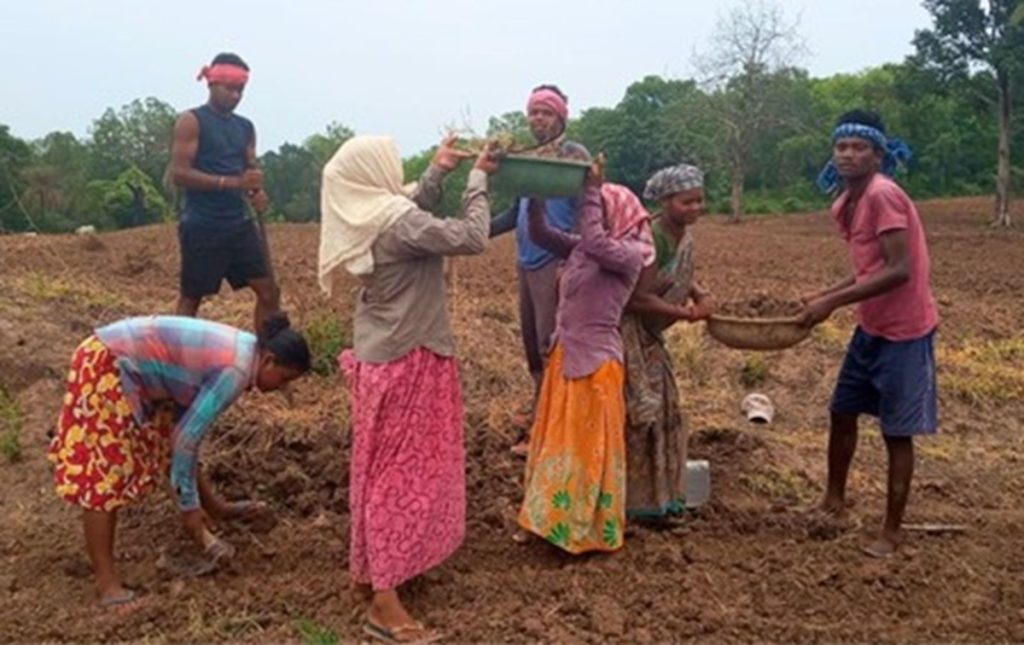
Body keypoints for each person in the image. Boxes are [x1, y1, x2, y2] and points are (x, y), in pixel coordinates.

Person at [319, 134, 500, 642]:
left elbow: (408, 203)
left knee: (378, 471)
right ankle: (384, 603)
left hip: (382, 358)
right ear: (376, 174)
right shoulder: (397, 224)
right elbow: (471, 237)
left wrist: (437, 170)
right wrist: (478, 179)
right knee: (400, 482)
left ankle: (374, 574)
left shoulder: (368, 217)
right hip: (410, 361)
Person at [47, 314, 310, 611]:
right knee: (106, 473)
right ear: (269, 360)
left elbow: (183, 435)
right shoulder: (235, 370)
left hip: (125, 361)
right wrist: (189, 510)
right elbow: (185, 440)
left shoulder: (248, 351)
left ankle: (215, 508)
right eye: (285, 379)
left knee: (163, 445)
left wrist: (200, 505)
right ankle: (107, 584)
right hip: (110, 364)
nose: (282, 388)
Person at [800, 109, 937, 558]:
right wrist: (825, 293)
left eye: (860, 148)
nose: (847, 155)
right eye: (841, 147)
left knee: (897, 433)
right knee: (842, 411)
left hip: (905, 331)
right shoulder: (844, 202)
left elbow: (899, 270)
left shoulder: (883, 196)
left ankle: (892, 531)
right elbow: (868, 268)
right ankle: (833, 502)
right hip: (871, 325)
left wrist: (831, 303)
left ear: (879, 155)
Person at [517, 169, 650, 554]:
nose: (591, 216)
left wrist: (590, 192)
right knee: (556, 446)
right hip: (566, 359)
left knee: (582, 450)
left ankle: (579, 531)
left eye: (601, 210)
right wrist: (535, 194)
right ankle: (546, 521)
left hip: (595, 365)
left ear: (619, 216)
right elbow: (541, 235)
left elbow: (594, 240)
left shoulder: (627, 256)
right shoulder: (582, 248)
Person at [488, 84, 591, 454]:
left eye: (545, 113)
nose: (538, 119)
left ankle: (551, 430)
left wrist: (577, 258)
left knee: (553, 343)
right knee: (532, 343)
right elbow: (515, 213)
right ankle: (541, 409)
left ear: (561, 117)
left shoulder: (572, 155)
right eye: (533, 113)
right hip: (527, 261)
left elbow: (589, 207)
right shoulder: (528, 158)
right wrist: (469, 232)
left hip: (556, 260)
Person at [621, 164, 715, 521]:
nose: (695, 208)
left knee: (664, 412)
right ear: (665, 201)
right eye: (686, 202)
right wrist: (687, 314)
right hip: (632, 334)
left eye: (699, 201)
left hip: (653, 334)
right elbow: (637, 298)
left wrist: (699, 292)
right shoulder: (653, 236)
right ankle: (632, 501)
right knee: (640, 415)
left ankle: (657, 497)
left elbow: (681, 273)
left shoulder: (683, 236)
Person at [168, 52, 279, 332]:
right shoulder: (191, 121)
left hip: (238, 224)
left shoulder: (245, 128)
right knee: (192, 298)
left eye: (240, 90)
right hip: (202, 224)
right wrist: (231, 184)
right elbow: (179, 173)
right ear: (211, 84)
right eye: (229, 88)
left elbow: (250, 172)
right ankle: (176, 362)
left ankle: (263, 359)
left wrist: (257, 193)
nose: (235, 95)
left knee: (269, 292)